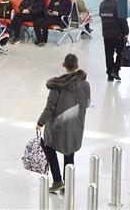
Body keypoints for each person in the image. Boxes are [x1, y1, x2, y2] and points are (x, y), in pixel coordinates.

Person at [36, 54, 90, 193]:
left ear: (63, 65)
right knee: (69, 152)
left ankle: (57, 181)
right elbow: (87, 103)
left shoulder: (57, 85)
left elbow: (50, 108)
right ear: (77, 66)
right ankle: (68, 183)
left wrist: (40, 122)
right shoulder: (85, 84)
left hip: (58, 126)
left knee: (50, 148)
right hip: (76, 124)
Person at [99, 0, 129, 81]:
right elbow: (122, 20)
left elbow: (101, 15)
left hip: (106, 34)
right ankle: (115, 70)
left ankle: (109, 75)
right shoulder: (118, 4)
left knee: (109, 55)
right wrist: (126, 32)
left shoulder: (102, 4)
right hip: (118, 34)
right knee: (120, 53)